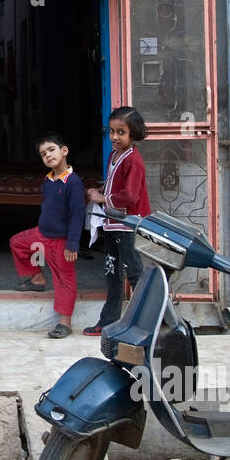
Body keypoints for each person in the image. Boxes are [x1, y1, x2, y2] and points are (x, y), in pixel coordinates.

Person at [83, 106, 152, 336]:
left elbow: (131, 196)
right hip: (113, 223)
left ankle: (156, 319)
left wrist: (103, 198)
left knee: (134, 273)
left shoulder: (134, 161)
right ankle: (109, 320)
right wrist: (101, 189)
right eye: (112, 131)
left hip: (128, 225)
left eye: (121, 132)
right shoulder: (115, 155)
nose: (115, 137)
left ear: (134, 133)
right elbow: (115, 182)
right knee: (112, 272)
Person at [9, 133, 85, 339]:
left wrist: (73, 244)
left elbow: (78, 216)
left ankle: (65, 323)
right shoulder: (48, 180)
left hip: (61, 241)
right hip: (41, 234)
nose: (48, 156)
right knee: (17, 243)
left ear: (64, 151)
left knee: (64, 279)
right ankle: (38, 278)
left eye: (51, 150)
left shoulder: (74, 182)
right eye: (43, 154)